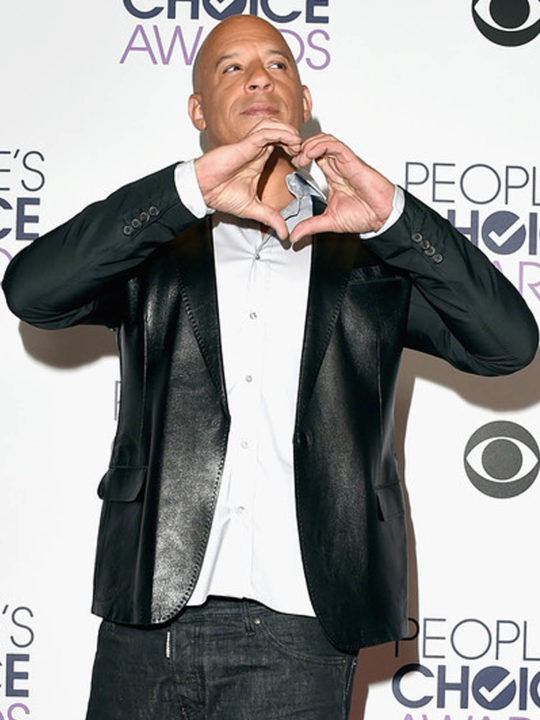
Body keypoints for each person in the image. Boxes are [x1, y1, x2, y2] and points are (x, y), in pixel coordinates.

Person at [3, 13, 538, 720]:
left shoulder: (371, 257)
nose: (258, 77)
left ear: (303, 99)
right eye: (232, 67)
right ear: (198, 110)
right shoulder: (154, 249)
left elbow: (508, 343)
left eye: (277, 64)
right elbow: (33, 292)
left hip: (304, 630)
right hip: (149, 616)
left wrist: (394, 219)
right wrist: (186, 194)